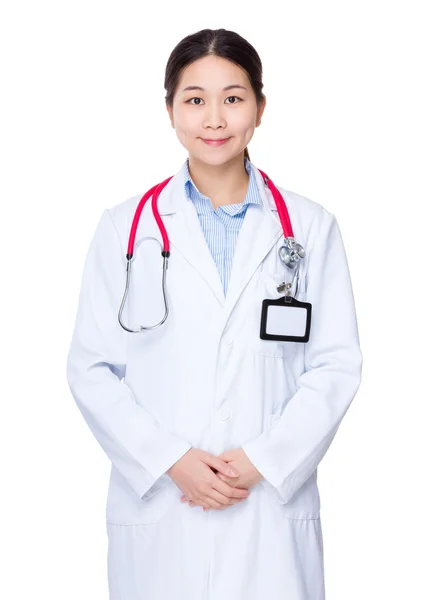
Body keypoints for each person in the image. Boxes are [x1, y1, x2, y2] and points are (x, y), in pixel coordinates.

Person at [66, 27, 363, 600]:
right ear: (171, 110)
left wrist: (263, 460)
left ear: (259, 107)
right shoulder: (124, 229)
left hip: (268, 515)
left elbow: (335, 367)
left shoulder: (311, 228)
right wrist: (169, 459)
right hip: (162, 513)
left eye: (233, 97)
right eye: (195, 99)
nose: (214, 119)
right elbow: (92, 369)